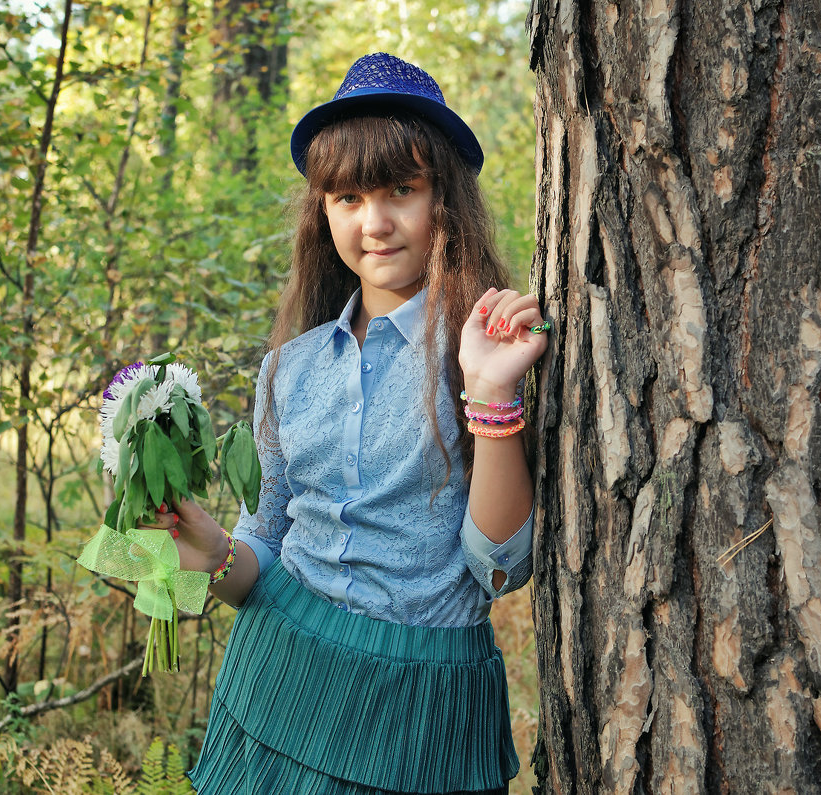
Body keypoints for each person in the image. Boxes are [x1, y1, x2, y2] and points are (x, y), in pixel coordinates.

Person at [152, 52, 548, 795]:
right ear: (322, 211)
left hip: (416, 706)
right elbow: (262, 553)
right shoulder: (290, 368)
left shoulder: (484, 345)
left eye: (403, 189)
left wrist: (491, 393)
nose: (376, 222)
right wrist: (210, 548)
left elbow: (502, 567)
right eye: (347, 197)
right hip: (275, 677)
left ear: (445, 200)